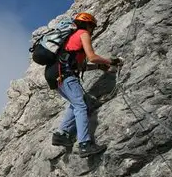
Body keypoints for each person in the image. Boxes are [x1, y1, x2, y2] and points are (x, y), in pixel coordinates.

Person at [45, 12, 122, 157]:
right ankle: (85, 144)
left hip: (56, 77)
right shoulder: (83, 34)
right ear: (89, 25)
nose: (92, 30)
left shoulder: (71, 39)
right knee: (81, 106)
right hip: (66, 76)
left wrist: (99, 67)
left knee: (76, 104)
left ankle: (61, 134)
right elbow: (92, 57)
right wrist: (111, 61)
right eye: (92, 27)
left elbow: (80, 66)